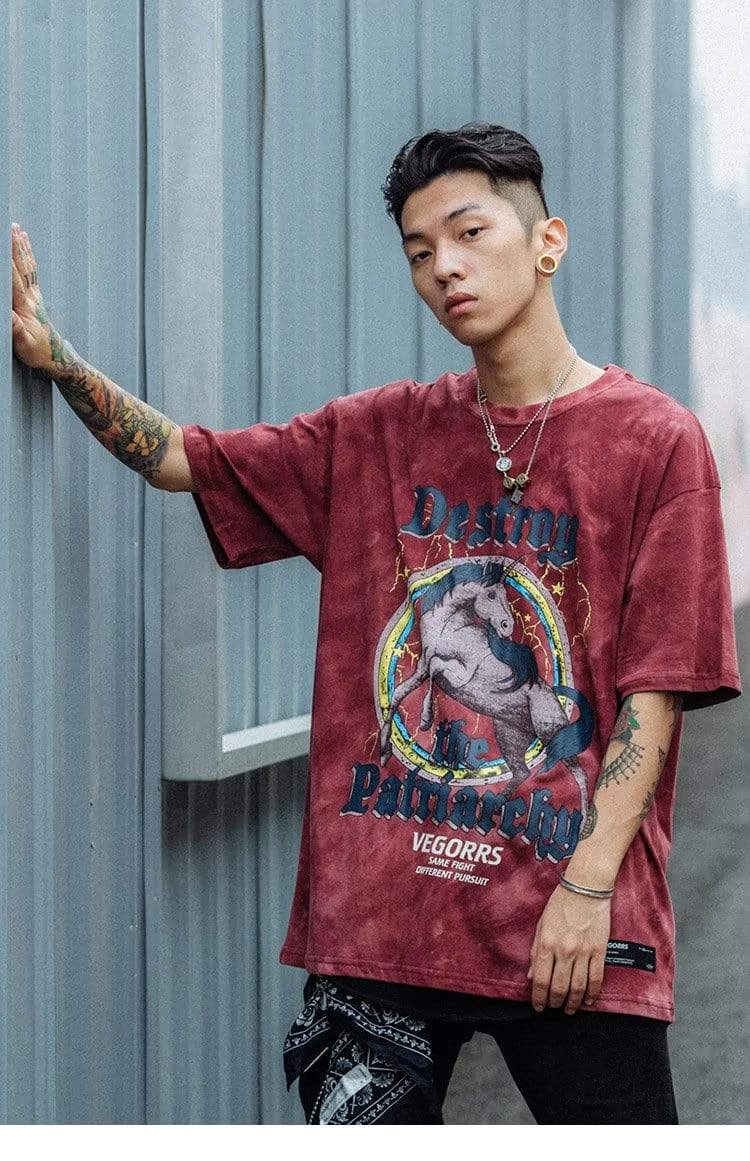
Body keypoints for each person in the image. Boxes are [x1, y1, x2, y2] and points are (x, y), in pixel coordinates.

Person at [10, 122, 742, 1126]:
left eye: (469, 232)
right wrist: (57, 359)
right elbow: (187, 458)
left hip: (568, 919)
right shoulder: (376, 433)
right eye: (418, 250)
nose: (444, 267)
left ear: (548, 242)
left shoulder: (654, 441)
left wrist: (588, 887)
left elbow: (657, 691)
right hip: (383, 932)